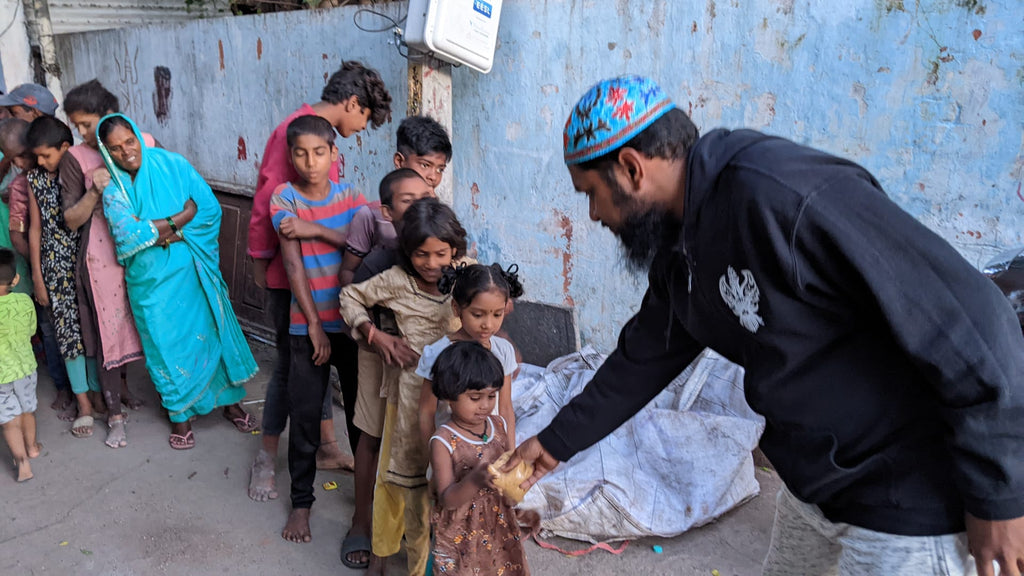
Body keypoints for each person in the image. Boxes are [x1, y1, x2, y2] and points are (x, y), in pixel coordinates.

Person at [506, 75, 1024, 576]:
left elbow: (976, 319)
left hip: (904, 498)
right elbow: (645, 356)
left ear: (631, 168)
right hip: (814, 485)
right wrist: (553, 443)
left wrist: (1001, 495)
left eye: (591, 193)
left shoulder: (783, 195)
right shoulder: (679, 242)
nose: (594, 214)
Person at [247, 61, 393, 501]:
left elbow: (345, 214)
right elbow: (265, 200)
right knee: (292, 371)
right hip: (289, 272)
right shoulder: (296, 132)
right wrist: (258, 259)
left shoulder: (325, 151)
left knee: (318, 365)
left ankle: (328, 447)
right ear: (352, 104)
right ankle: (266, 458)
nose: (361, 127)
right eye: (364, 117)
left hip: (327, 272)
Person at [95, 113, 258, 450]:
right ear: (106, 153)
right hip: (150, 283)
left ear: (138, 136)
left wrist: (159, 231)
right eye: (115, 149)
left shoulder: (173, 165)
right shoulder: (114, 190)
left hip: (191, 270)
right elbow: (128, 236)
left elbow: (209, 209)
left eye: (129, 141)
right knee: (163, 345)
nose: (126, 152)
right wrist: (179, 219)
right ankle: (180, 417)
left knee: (209, 333)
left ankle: (230, 403)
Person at [339, 197, 469, 576]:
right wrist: (375, 335)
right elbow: (350, 296)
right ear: (407, 252)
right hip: (410, 399)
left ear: (454, 250)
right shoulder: (396, 282)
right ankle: (381, 554)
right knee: (399, 479)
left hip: (457, 403)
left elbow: (496, 301)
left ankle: (435, 556)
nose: (432, 264)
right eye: (421, 255)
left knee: (448, 480)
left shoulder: (465, 273)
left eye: (441, 254)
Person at [268, 115, 367, 543]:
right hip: (307, 327)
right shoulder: (283, 197)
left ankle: (366, 506)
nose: (311, 162)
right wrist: (313, 325)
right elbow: (294, 265)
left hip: (354, 325)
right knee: (305, 416)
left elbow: (363, 244)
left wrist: (315, 228)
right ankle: (302, 504)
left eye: (320, 152)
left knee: (363, 422)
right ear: (290, 156)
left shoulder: (351, 197)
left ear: (334, 154)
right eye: (301, 153)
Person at [340, 167, 436, 569]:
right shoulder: (380, 261)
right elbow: (350, 299)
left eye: (425, 197)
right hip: (378, 361)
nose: (418, 207)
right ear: (387, 211)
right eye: (407, 201)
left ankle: (425, 530)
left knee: (426, 446)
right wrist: (378, 339)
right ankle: (362, 521)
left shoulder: (441, 253)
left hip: (425, 377)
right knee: (373, 437)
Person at [60, 80, 149, 448]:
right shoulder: (76, 159)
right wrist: (95, 190)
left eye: (85, 123)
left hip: (146, 250)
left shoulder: (142, 143)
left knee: (144, 322)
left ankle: (176, 406)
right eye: (76, 125)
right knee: (108, 331)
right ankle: (114, 413)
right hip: (100, 256)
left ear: (109, 115)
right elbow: (71, 219)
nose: (81, 133)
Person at [24, 116, 100, 438]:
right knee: (69, 337)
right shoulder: (34, 179)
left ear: (65, 148)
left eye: (45, 155)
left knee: (93, 333)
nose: (40, 162)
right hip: (55, 270)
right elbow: (35, 230)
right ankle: (84, 403)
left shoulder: (80, 170)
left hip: (87, 262)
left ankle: (100, 395)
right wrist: (38, 279)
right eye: (37, 156)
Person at [428, 341, 531, 575]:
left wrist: (521, 506)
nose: (485, 406)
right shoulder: (443, 441)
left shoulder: (500, 426)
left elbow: (508, 484)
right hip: (461, 535)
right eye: (475, 398)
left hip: (499, 528)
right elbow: (448, 499)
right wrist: (474, 481)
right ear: (448, 396)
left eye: (491, 396)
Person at [0, 119, 71, 415]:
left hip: (68, 267)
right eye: (17, 157)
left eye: (28, 155)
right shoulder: (19, 185)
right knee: (50, 330)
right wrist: (40, 264)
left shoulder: (63, 172)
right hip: (38, 270)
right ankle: (63, 387)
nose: (26, 162)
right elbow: (19, 234)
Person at [417, 263, 523, 451]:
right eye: (478, 314)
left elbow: (505, 407)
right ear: (457, 309)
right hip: (451, 451)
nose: (488, 324)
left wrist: (510, 452)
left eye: (497, 314)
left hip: (492, 446)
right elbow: (426, 412)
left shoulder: (503, 350)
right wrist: (434, 458)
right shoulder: (437, 353)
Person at [0, 248, 42, 483]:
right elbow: (31, 331)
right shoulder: (25, 301)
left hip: (1, 376)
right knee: (27, 410)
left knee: (9, 420)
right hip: (25, 369)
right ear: (15, 279)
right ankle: (33, 447)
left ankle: (22, 463)